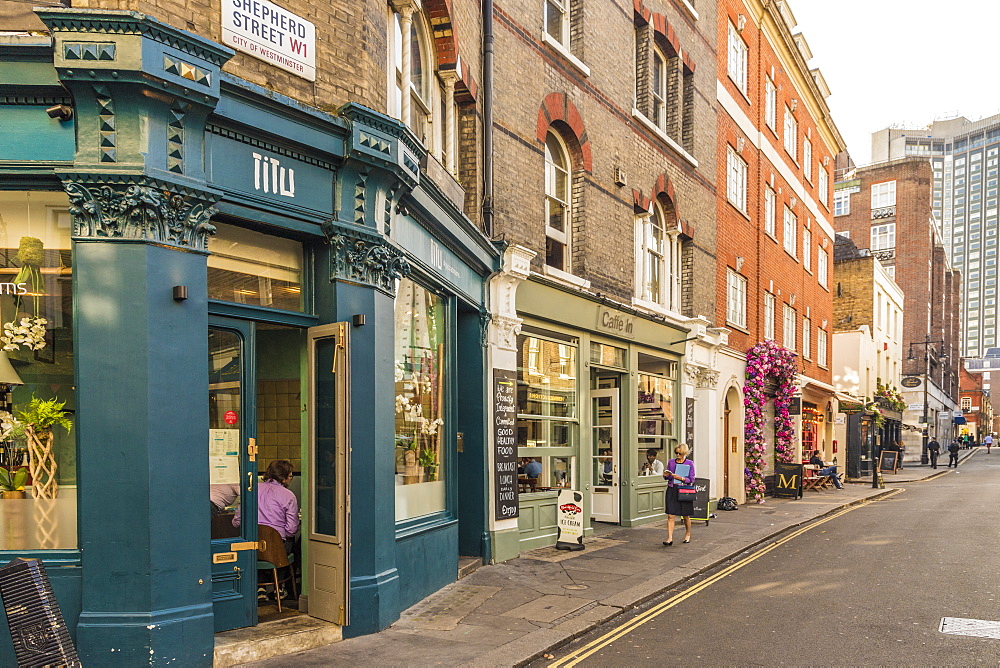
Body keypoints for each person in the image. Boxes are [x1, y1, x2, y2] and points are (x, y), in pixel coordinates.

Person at [234, 459, 300, 557]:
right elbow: (291, 530)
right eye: (290, 476)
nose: (291, 479)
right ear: (284, 477)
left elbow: (237, 522)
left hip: (251, 546)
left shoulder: (251, 490)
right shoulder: (289, 496)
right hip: (276, 549)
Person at [662, 443, 695, 546]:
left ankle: (688, 534)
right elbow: (668, 477)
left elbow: (692, 479)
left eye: (679, 453)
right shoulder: (671, 462)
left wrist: (680, 478)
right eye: (676, 453)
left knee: (685, 515)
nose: (677, 455)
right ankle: (669, 538)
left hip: (684, 490)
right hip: (672, 489)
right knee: (671, 515)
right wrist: (666, 475)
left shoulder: (689, 463)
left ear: (684, 453)